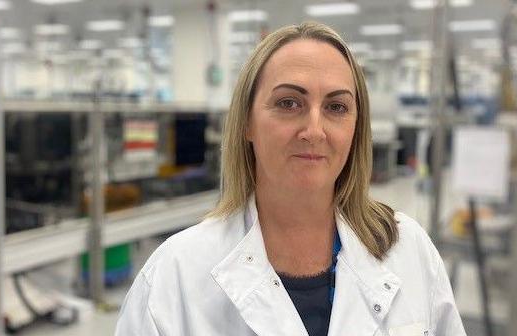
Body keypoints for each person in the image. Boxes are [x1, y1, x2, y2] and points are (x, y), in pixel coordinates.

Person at [115, 21, 466, 336]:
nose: (314, 130)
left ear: (356, 128)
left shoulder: (408, 248)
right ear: (247, 123)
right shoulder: (172, 278)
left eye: (336, 107)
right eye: (288, 103)